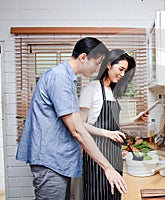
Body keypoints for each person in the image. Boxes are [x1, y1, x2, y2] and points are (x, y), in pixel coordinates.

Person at [15, 37, 128, 200]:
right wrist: (107, 167)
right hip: (50, 161)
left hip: (58, 160)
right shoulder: (59, 78)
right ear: (83, 57)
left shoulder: (67, 79)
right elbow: (77, 129)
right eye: (96, 63)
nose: (97, 69)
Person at [79, 49, 148, 200]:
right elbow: (80, 124)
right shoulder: (91, 88)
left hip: (114, 154)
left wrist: (135, 119)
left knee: (115, 194)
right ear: (109, 65)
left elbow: (114, 122)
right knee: (97, 195)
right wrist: (107, 133)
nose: (123, 75)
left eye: (125, 71)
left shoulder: (112, 91)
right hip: (96, 154)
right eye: (121, 69)